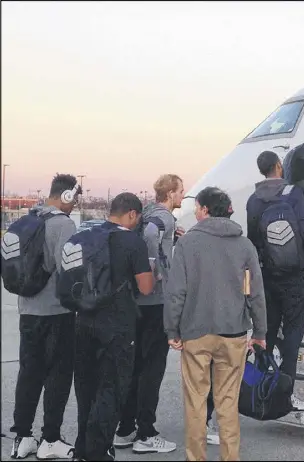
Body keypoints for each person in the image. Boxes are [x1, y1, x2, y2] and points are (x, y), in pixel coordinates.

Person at [164, 187, 267, 462]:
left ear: (206, 210)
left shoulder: (187, 244)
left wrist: (172, 330)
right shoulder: (244, 245)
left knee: (196, 402)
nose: (195, 212)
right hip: (233, 333)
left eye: (197, 207)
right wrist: (260, 332)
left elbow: (177, 292)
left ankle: (195, 458)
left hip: (195, 333)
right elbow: (255, 291)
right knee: (227, 403)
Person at [73, 193, 154, 461]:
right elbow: (145, 287)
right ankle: (99, 452)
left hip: (83, 320)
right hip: (117, 327)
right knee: (111, 389)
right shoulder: (133, 242)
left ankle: (81, 449)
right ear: (132, 214)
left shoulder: (85, 236)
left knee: (85, 388)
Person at [8, 174, 81, 460]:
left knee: (29, 374)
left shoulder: (27, 221)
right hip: (57, 313)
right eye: (74, 198)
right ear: (65, 196)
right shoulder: (63, 224)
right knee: (58, 377)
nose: (75, 204)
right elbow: (69, 272)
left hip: (28, 311)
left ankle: (22, 437)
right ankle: (50, 439)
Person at [114, 174, 184, 454]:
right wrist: (155, 269)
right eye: (180, 191)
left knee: (134, 367)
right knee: (152, 370)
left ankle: (125, 428)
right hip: (154, 303)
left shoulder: (144, 213)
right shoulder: (163, 217)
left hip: (134, 305)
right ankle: (146, 433)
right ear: (169, 193)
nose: (182, 196)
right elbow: (153, 236)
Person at [246, 150, 304, 411]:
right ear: (278, 166)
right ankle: (285, 397)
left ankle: (259, 392)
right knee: (293, 337)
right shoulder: (293, 194)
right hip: (294, 277)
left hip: (267, 277)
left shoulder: (253, 200)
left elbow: (253, 241)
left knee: (267, 336)